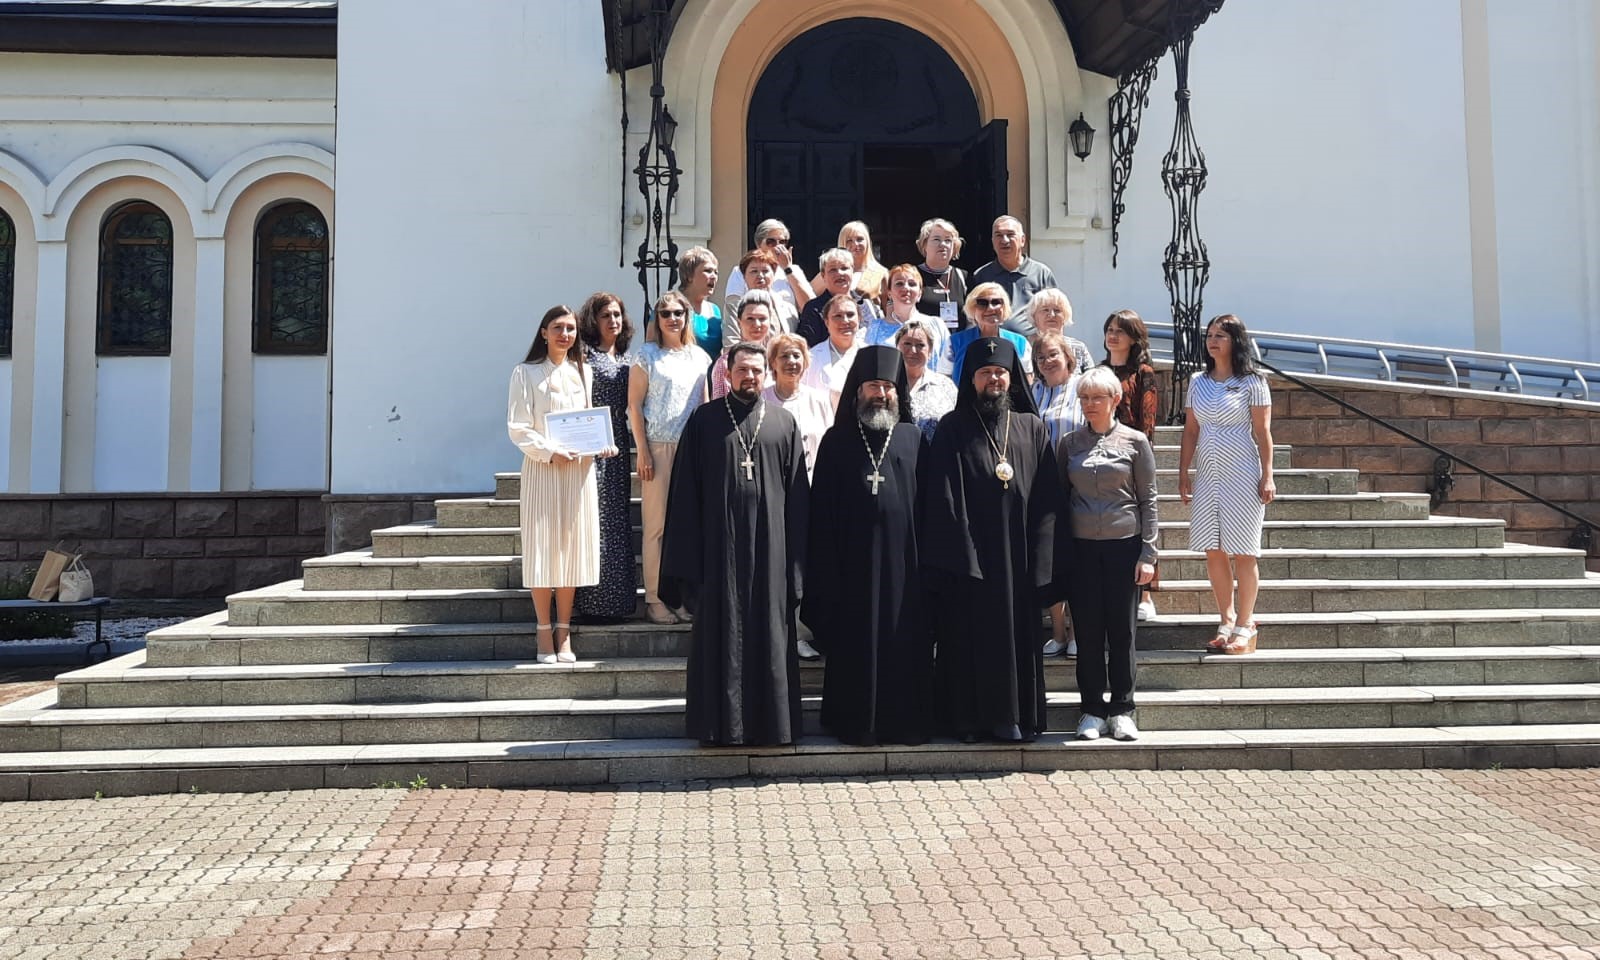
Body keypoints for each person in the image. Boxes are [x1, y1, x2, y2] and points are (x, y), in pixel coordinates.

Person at [660, 342, 810, 746]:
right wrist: (688, 564)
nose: (750, 377)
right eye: (742, 370)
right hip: (718, 551)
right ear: (727, 374)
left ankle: (773, 727)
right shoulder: (704, 421)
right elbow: (685, 494)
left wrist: (797, 566)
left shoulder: (783, 423)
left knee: (769, 634)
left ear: (767, 374)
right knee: (720, 634)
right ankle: (718, 727)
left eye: (756, 371)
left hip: (771, 553)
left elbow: (798, 500)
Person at [921, 337, 1061, 742]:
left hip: (1019, 559)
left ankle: (1018, 718)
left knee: (1017, 640)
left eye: (1000, 372)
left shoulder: (1032, 428)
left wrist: (1042, 559)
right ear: (972, 379)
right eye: (985, 373)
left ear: (1011, 378)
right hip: (972, 562)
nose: (994, 379)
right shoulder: (952, 428)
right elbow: (944, 496)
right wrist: (962, 558)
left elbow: (1047, 498)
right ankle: (968, 721)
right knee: (968, 640)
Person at [802, 346, 931, 745]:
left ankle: (905, 723)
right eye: (873, 385)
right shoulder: (836, 441)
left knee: (903, 642)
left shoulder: (913, 438)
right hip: (850, 566)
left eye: (888, 386)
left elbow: (928, 508)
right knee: (853, 642)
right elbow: (821, 511)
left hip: (904, 569)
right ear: (857, 390)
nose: (881, 393)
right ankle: (854, 723)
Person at [507, 306, 617, 664]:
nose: (565, 334)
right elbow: (518, 427)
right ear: (544, 332)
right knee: (543, 549)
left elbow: (587, 422)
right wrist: (549, 451)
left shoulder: (582, 372)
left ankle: (564, 630)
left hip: (577, 473)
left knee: (571, 548)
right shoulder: (525, 373)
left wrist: (602, 444)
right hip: (543, 470)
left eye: (570, 329)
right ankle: (543, 629)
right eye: (558, 328)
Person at [1059, 367, 1159, 742]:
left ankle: (1122, 709)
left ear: (1115, 399)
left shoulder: (1135, 442)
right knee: (1086, 632)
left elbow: (1148, 500)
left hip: (1124, 546)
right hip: (1082, 549)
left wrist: (1148, 553)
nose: (1089, 404)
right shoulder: (1069, 443)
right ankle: (1091, 710)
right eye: (1084, 398)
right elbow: (1061, 495)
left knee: (1121, 632)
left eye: (1097, 397)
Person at [1177, 314, 1275, 656]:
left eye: (1221, 335)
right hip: (1209, 475)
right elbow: (1191, 430)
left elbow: (1262, 432)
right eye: (1210, 335)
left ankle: (1246, 623)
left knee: (1244, 550)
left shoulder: (1253, 382)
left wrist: (1268, 474)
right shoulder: (1198, 381)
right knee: (1213, 548)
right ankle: (1226, 618)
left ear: (1236, 341)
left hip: (1243, 473)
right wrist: (1183, 471)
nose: (1213, 341)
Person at [629, 290, 711, 625]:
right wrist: (643, 451)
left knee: (688, 527)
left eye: (679, 313)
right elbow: (634, 406)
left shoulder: (701, 358)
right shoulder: (646, 355)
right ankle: (654, 599)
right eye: (666, 313)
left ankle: (681, 598)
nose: (673, 319)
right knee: (657, 527)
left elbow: (704, 406)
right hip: (658, 448)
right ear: (657, 319)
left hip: (692, 450)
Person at [573, 293, 638, 621]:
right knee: (594, 521)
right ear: (593, 321)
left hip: (618, 447)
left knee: (617, 521)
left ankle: (618, 602)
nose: (613, 321)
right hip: (592, 446)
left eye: (616, 315)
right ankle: (592, 603)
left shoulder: (626, 358)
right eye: (605, 316)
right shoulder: (585, 356)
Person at [1103, 309, 1162, 621]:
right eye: (1110, 330)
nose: (1113, 336)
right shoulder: (1098, 370)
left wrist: (1142, 458)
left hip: (1133, 454)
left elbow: (1147, 421)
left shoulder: (1143, 373)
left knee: (1142, 519)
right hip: (1101, 456)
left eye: (1120, 331)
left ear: (1133, 338)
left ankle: (1147, 594)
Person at [1032, 330, 1084, 658]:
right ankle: (1058, 631)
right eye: (1041, 357)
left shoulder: (1082, 387)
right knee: (1050, 561)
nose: (1047, 361)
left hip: (1078, 483)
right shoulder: (1034, 391)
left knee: (1076, 561)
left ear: (1067, 357)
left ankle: (1078, 630)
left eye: (1053, 354)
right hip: (1042, 485)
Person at [761, 333, 833, 481]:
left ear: (805, 362)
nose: (791, 361)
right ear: (773, 363)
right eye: (784, 356)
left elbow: (832, 444)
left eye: (796, 355)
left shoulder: (820, 400)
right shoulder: (762, 400)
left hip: (815, 483)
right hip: (775, 483)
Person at [972, 215, 1058, 337]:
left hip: (1031, 345)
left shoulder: (1041, 273)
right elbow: (973, 315)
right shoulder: (982, 276)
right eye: (999, 235)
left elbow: (1054, 315)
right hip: (994, 344)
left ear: (1022, 240)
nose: (1004, 240)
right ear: (992, 242)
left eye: (1010, 234)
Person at [938, 283, 1032, 384]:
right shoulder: (955, 342)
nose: (990, 308)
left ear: (1004, 308)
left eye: (996, 302)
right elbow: (944, 379)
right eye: (982, 303)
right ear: (972, 309)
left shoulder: (1020, 343)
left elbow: (1027, 378)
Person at [723, 218, 814, 311]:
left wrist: (787, 269)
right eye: (771, 242)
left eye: (782, 242)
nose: (777, 247)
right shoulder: (741, 271)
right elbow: (733, 307)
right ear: (759, 244)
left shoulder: (793, 271)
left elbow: (809, 307)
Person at [796, 248, 881, 346]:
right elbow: (807, 347)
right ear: (823, 275)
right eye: (833, 270)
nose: (839, 273)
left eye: (844, 268)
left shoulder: (867, 305)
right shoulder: (814, 309)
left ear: (852, 271)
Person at [866, 264, 948, 362]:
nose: (906, 288)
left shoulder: (936, 325)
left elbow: (949, 363)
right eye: (899, 284)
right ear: (889, 293)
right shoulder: (876, 328)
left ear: (920, 294)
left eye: (912, 284)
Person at [895, 320, 957, 443]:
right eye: (907, 344)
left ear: (930, 352)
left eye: (920, 345)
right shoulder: (886, 384)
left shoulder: (945, 386)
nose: (913, 350)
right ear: (897, 347)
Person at [709, 290, 778, 399]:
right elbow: (720, 404)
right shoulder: (726, 363)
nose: (757, 324)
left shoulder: (777, 360)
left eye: (762, 319)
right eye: (750, 318)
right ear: (739, 322)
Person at [722, 250, 798, 346]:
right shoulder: (735, 306)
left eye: (765, 271)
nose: (760, 276)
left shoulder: (788, 308)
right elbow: (731, 343)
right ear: (744, 277)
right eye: (754, 271)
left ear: (773, 274)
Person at [803, 294, 862, 413]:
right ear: (826, 322)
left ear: (859, 318)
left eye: (850, 315)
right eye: (837, 316)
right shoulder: (811, 358)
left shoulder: (870, 354)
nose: (845, 321)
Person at [914, 217, 969, 331]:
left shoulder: (964, 277)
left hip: (957, 341)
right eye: (936, 239)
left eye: (948, 240)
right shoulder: (913, 275)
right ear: (924, 245)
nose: (943, 244)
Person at [1026, 288, 1093, 374]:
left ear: (1065, 315)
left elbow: (1092, 378)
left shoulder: (1078, 347)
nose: (1051, 315)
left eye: (1057, 310)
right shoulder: (1025, 346)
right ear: (1034, 316)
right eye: (1045, 310)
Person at [832, 220, 888, 305]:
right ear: (842, 243)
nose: (855, 244)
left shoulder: (881, 273)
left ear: (867, 241)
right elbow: (811, 296)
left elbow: (888, 309)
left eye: (859, 239)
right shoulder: (831, 271)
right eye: (849, 240)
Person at [677, 246, 721, 346]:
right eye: (708, 271)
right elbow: (651, 347)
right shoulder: (669, 308)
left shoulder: (715, 310)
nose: (714, 276)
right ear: (689, 275)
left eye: (716, 272)